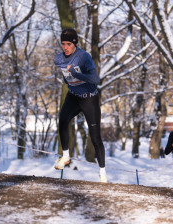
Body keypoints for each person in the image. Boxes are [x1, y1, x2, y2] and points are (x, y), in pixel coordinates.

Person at [53, 28, 107, 183]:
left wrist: (76, 75)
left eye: (68, 44)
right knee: (62, 120)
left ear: (75, 43)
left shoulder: (83, 57)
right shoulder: (58, 59)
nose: (65, 47)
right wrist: (70, 81)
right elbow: (66, 79)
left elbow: (96, 79)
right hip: (74, 97)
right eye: (63, 44)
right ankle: (65, 156)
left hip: (89, 99)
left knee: (95, 137)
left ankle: (102, 173)